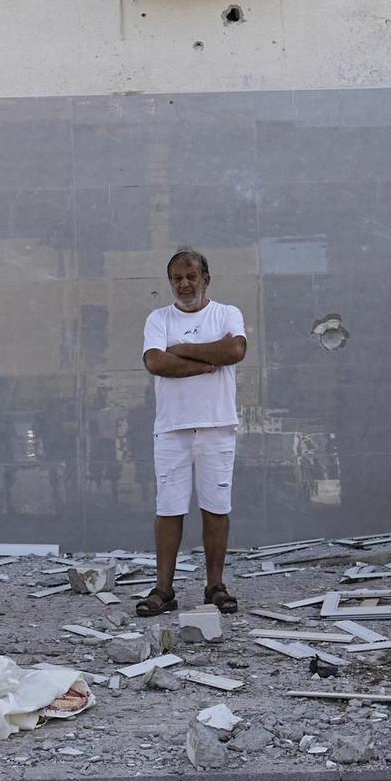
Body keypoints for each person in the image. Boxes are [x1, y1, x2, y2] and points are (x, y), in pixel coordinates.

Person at [137, 249, 248, 617]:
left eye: (191, 277)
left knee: (216, 507)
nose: (184, 284)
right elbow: (155, 361)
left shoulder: (227, 314)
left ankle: (215, 586)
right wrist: (206, 363)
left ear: (206, 279)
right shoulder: (158, 318)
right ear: (170, 283)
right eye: (177, 279)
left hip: (217, 425)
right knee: (168, 508)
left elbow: (234, 349)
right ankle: (163, 589)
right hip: (171, 429)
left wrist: (182, 350)